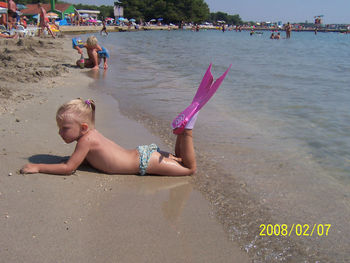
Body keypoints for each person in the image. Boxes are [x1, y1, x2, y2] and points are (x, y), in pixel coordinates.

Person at [20, 99, 197, 176]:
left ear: (83, 127)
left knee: (189, 169)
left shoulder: (85, 141)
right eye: (59, 128)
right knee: (181, 159)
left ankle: (187, 130)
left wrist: (38, 167)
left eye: (64, 128)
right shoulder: (92, 135)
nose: (60, 133)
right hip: (143, 154)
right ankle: (180, 132)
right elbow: (86, 160)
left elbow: (68, 168)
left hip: (145, 162)